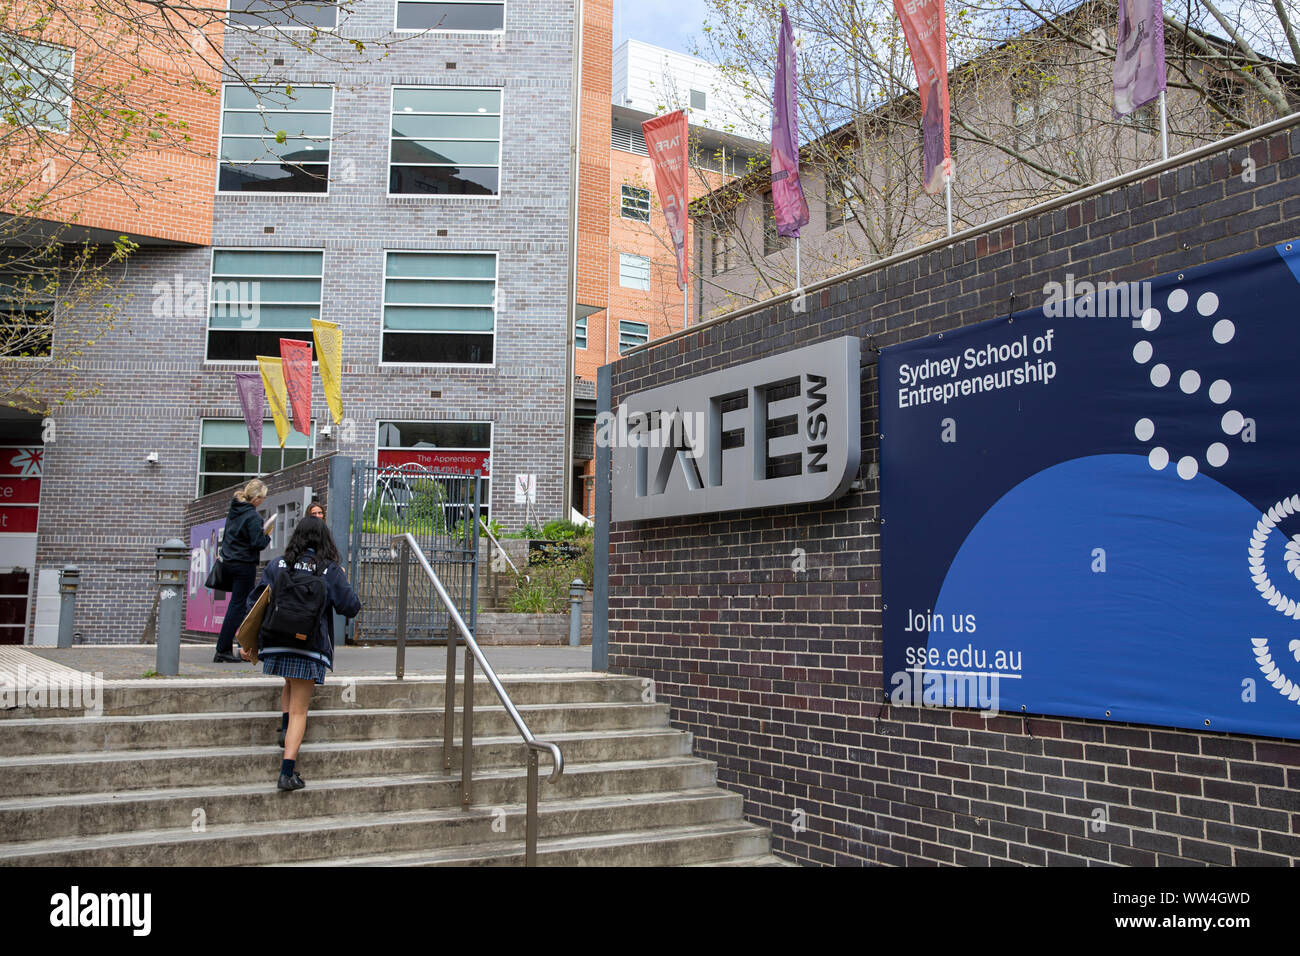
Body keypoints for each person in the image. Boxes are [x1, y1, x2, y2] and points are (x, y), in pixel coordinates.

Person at [243, 516, 360, 791]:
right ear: (324, 540)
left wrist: (249, 642)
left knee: (289, 681)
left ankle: (285, 731)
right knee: (300, 711)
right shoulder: (328, 569)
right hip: (309, 646)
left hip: (276, 643)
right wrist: (342, 574)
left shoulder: (278, 564)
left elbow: (255, 602)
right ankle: (287, 772)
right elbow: (351, 606)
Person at [213, 479, 271, 663]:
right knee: (240, 607)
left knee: (236, 605)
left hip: (229, 562)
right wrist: (267, 537)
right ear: (258, 498)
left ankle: (230, 647)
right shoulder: (253, 517)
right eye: (263, 497)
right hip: (244, 564)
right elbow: (257, 543)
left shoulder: (234, 511)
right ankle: (224, 649)